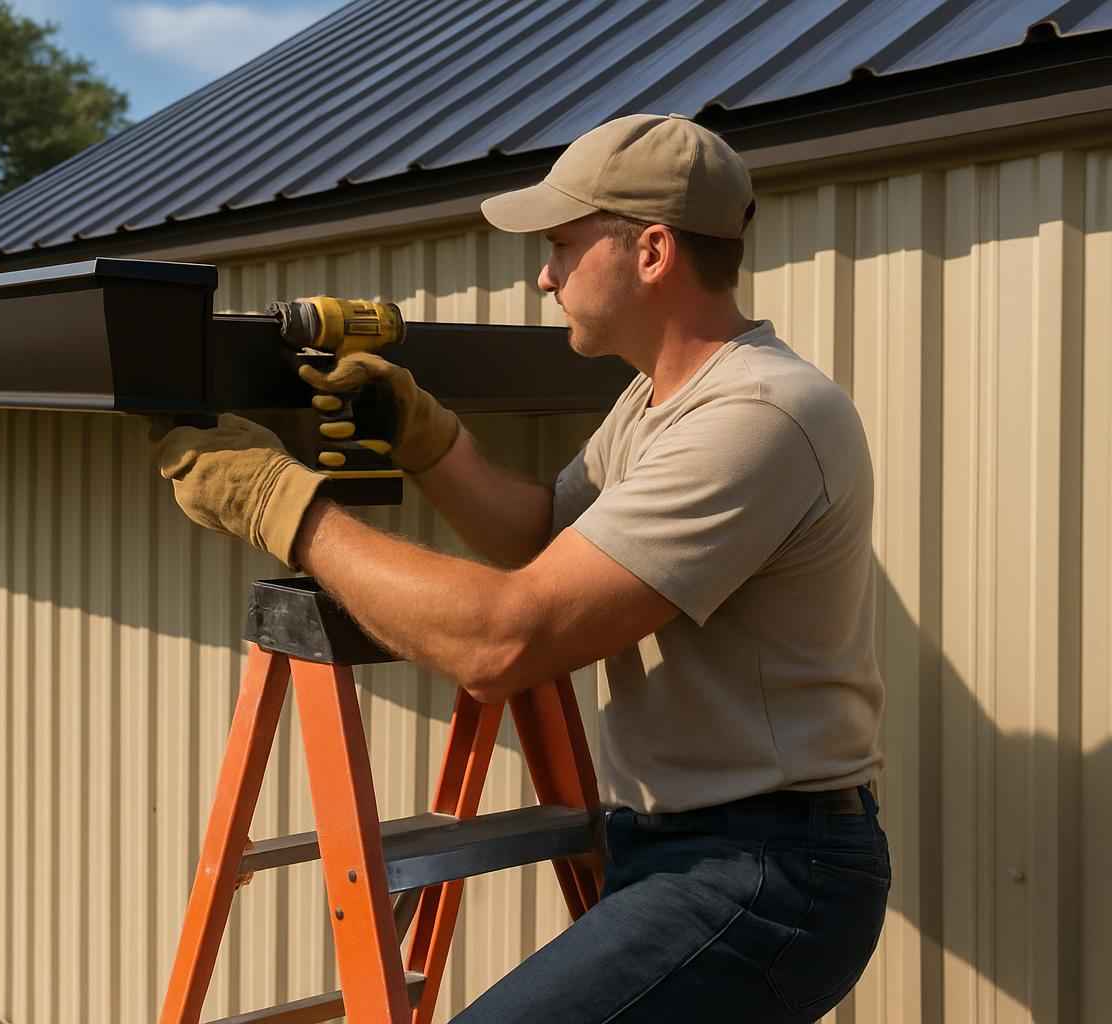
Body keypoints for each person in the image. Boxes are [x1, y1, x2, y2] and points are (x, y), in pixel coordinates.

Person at [154, 113, 889, 1023]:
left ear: (652, 250)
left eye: (562, 245)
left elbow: (507, 639)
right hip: (691, 848)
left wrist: (282, 505)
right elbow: (547, 534)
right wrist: (427, 438)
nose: (544, 274)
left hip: (768, 873)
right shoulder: (657, 403)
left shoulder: (760, 416)